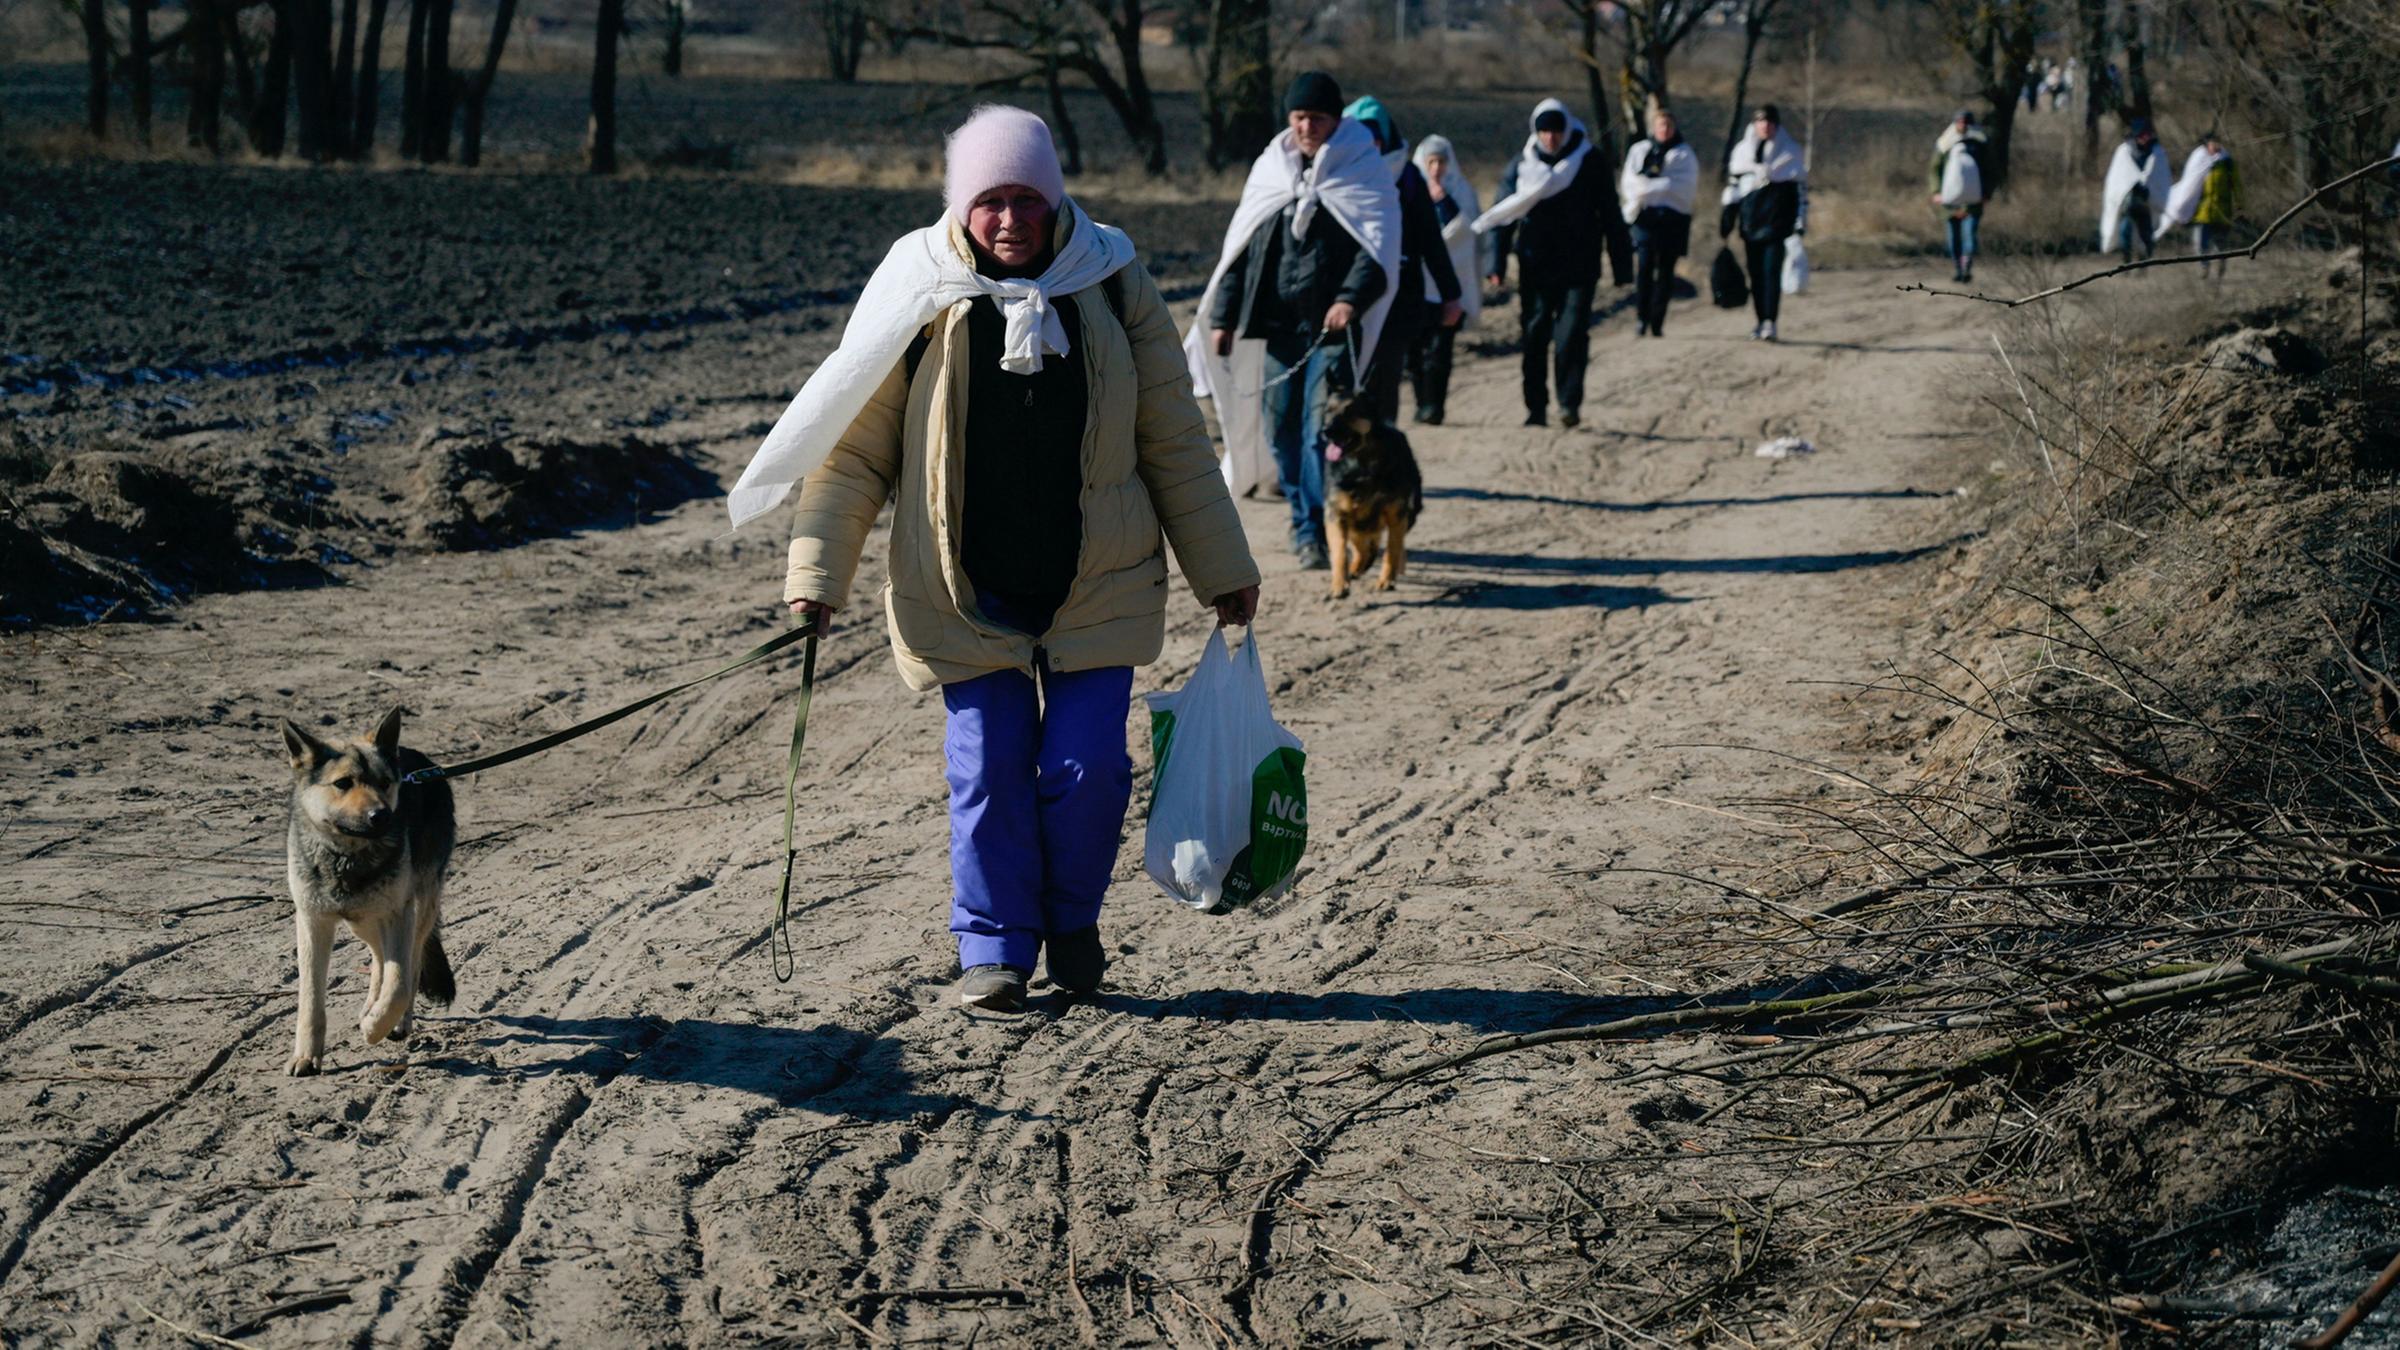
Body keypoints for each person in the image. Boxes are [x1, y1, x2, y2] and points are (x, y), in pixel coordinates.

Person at [728, 106, 1263, 1012]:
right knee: (986, 771)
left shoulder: (1114, 279)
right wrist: (817, 577)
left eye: (1027, 199)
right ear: (960, 207)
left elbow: (1171, 435)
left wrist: (1224, 568)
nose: (1010, 219)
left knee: (1090, 771)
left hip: (1097, 575)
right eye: (989, 201)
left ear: (1056, 202)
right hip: (963, 583)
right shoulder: (918, 286)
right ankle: (995, 948)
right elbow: (852, 449)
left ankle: (1071, 925)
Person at [1189, 71, 1400, 570]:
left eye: (1318, 118)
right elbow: (1242, 249)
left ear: (1335, 119)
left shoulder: (1363, 169)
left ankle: (1314, 529)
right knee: (1278, 427)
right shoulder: (1271, 169)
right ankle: (1307, 519)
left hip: (1332, 330)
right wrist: (1222, 317)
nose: (1307, 126)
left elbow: (1378, 248)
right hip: (1277, 328)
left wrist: (1350, 299)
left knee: (1316, 430)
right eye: (1300, 117)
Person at [1476, 97, 1612, 428]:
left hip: (1580, 265)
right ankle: (1535, 407)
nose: (1550, 137)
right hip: (1536, 265)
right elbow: (1505, 215)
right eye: (1544, 131)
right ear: (1535, 133)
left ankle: (1568, 403)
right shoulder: (1521, 167)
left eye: (1556, 130)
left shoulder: (1589, 162)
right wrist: (1496, 264)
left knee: (1571, 336)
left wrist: (1622, 263)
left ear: (1567, 130)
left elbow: (1610, 211)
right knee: (1535, 336)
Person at [1344, 96, 1464, 427]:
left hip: (1397, 296)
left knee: (1384, 382)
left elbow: (1431, 241)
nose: (1370, 146)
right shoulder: (1336, 174)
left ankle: (1382, 461)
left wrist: (1451, 295)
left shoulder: (1409, 179)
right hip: (1343, 297)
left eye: (1376, 138)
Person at [1409, 133, 1484, 424]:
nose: (1436, 168)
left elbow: (1468, 230)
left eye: (1441, 161)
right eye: (1431, 162)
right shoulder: (1411, 190)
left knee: (1441, 349)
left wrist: (1446, 201)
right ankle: (1420, 401)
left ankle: (1435, 406)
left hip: (1449, 285)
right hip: (1417, 286)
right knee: (1415, 351)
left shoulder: (1461, 192)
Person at [1725, 103, 1807, 342]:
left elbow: (1800, 191)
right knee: (1756, 274)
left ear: (1776, 125)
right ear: (1754, 124)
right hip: (1751, 222)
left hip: (1777, 222)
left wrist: (1800, 221)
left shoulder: (1790, 152)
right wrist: (1728, 213)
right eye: (1761, 121)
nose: (1765, 126)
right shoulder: (1742, 152)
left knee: (1771, 272)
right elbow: (1734, 186)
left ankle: (1771, 321)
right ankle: (1760, 319)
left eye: (1770, 122)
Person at [1617, 104, 1698, 338]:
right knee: (1643, 268)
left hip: (1672, 220)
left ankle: (1657, 320)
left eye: (1668, 125)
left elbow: (1684, 188)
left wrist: (1652, 187)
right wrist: (1658, 187)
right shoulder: (1640, 150)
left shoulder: (1684, 154)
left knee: (1665, 271)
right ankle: (1641, 318)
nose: (1664, 129)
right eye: (1661, 125)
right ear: (1654, 127)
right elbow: (1631, 184)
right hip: (1645, 218)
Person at [2165, 130, 2241, 277]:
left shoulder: (2227, 163)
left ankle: (2220, 267)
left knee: (2220, 244)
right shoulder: (2199, 160)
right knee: (2200, 243)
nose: (2216, 146)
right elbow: (2190, 185)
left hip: (2222, 211)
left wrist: (2239, 204)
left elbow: (2237, 185)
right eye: (2213, 143)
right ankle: (2204, 268)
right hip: (2203, 211)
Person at [1930, 109, 1989, 283]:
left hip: (1973, 202)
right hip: (1949, 203)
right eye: (1959, 122)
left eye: (1965, 122)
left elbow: (1989, 170)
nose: (1962, 125)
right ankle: (1958, 269)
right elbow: (1934, 170)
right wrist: (1936, 192)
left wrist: (1986, 193)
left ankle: (1966, 269)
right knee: (1953, 240)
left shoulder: (1979, 143)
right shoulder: (1945, 144)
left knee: (1969, 237)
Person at [2101, 118, 2172, 262]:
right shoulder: (2124, 152)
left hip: (2147, 203)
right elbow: (2116, 179)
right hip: (2129, 202)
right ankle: (2126, 260)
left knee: (2146, 234)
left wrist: (2149, 188)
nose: (2144, 138)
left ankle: (2144, 261)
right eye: (2141, 135)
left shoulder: (2157, 153)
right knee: (2125, 231)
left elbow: (2161, 178)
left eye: (2147, 135)